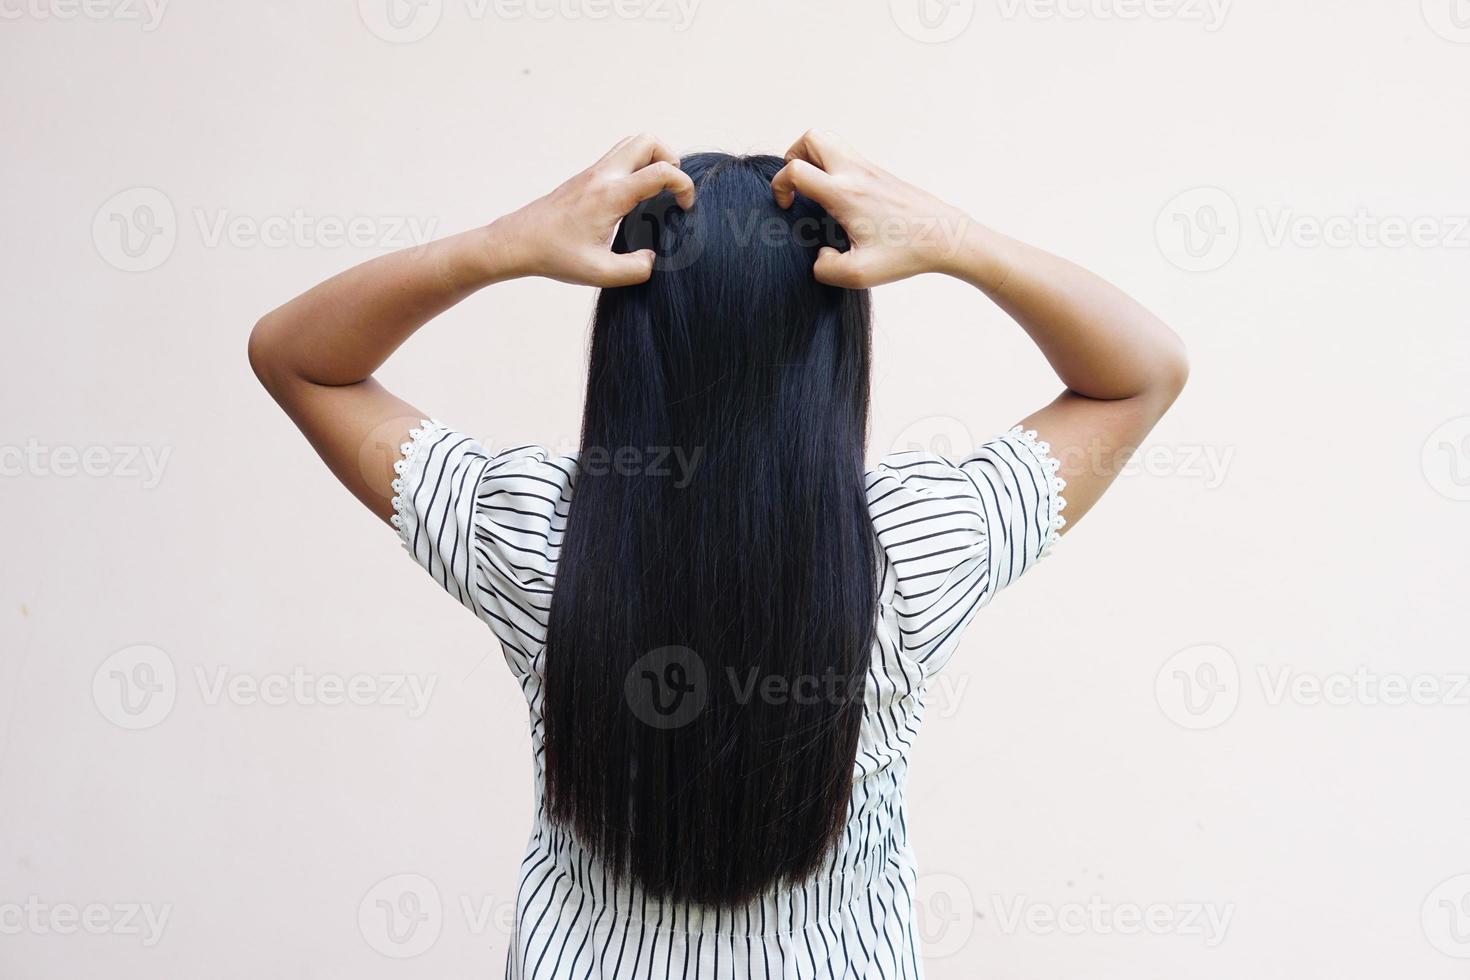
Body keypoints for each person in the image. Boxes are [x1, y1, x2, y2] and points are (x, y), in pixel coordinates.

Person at [249, 130, 1188, 978]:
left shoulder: (533, 531)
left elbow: (294, 355)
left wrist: (502, 244)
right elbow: (1140, 374)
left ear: (628, 341)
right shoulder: (915, 547)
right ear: (833, 348)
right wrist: (953, 238)